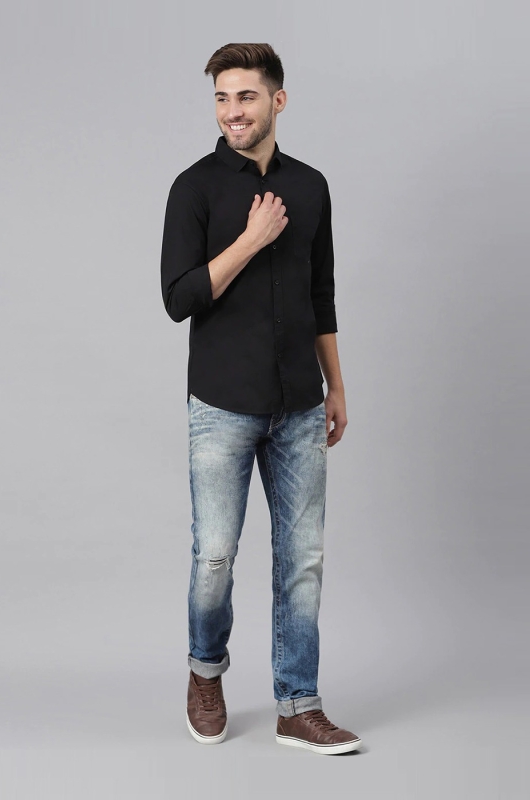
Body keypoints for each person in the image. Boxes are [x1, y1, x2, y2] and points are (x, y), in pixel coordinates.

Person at [160, 42, 361, 755]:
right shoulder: (194, 188)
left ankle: (297, 705)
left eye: (245, 96)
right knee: (214, 556)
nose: (232, 111)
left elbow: (320, 294)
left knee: (302, 561)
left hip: (300, 405)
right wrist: (250, 240)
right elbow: (178, 298)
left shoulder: (311, 187)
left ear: (278, 100)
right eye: (221, 98)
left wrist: (336, 385)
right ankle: (205, 672)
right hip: (222, 404)